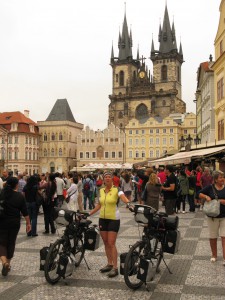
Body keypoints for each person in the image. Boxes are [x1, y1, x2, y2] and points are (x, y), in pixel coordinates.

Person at [89, 171, 131, 278]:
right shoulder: (101, 190)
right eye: (105, 177)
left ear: (112, 179)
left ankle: (115, 268)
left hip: (113, 219)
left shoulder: (117, 189)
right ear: (103, 179)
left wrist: (128, 203)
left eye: (109, 177)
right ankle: (109, 263)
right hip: (102, 219)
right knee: (106, 242)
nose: (107, 178)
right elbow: (99, 204)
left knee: (112, 243)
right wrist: (89, 214)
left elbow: (123, 197)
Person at [0, 177, 31, 276]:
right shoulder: (19, 196)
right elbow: (25, 212)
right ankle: (8, 263)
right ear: (16, 185)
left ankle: (4, 262)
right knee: (11, 242)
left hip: (2, 221)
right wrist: (28, 223)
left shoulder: (1, 194)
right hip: (14, 223)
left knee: (2, 243)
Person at [199, 170, 225, 264]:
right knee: (213, 237)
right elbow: (199, 193)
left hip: (224, 217)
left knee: (224, 237)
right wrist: (206, 197)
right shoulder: (210, 187)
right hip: (212, 217)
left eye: (223, 177)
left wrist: (223, 201)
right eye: (221, 177)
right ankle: (214, 255)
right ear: (215, 179)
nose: (223, 179)